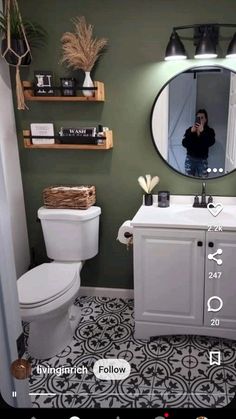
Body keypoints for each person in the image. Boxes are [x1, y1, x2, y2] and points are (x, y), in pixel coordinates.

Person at [182, 109, 215, 177]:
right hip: (190, 159)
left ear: (206, 119)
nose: (200, 119)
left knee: (203, 180)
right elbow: (184, 143)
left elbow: (211, 142)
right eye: (198, 118)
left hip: (202, 160)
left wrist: (202, 132)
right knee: (188, 180)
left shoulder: (209, 131)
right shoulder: (190, 130)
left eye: (202, 118)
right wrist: (191, 132)